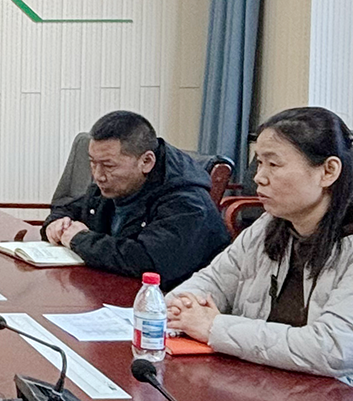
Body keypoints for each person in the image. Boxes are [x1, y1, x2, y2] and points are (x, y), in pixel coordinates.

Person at [165, 106, 353, 401]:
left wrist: (214, 327)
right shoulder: (272, 225)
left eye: (273, 164)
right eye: (259, 162)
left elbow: (335, 349)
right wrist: (183, 305)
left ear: (328, 171)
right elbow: (212, 281)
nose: (259, 177)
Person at [41, 110, 230, 283]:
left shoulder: (187, 203)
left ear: (146, 161)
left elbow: (146, 261)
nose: (98, 175)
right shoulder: (117, 185)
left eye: (108, 165)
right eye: (92, 163)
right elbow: (71, 207)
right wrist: (57, 223)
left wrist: (79, 239)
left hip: (172, 301)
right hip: (113, 290)